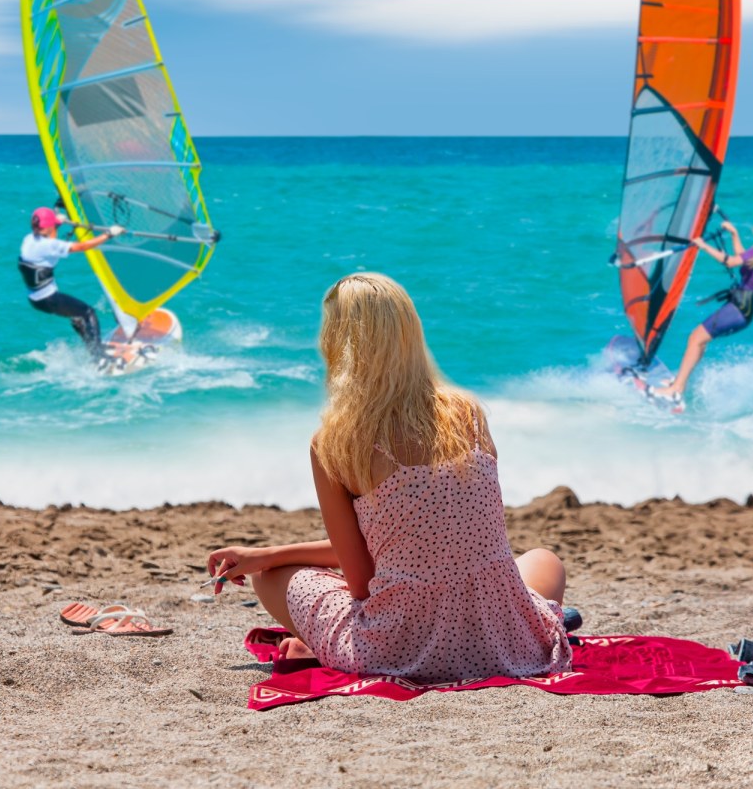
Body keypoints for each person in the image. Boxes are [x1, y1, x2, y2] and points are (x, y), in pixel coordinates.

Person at [207, 273, 573, 682]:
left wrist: (269, 558)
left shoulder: (336, 441)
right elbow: (432, 540)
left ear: (338, 345)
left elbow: (363, 581)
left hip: (399, 651)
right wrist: (273, 549)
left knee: (267, 578)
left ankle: (317, 645)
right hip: (505, 644)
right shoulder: (468, 416)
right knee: (543, 560)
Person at [652, 220, 753, 404]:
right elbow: (743, 257)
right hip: (745, 313)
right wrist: (734, 234)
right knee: (700, 341)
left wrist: (703, 246)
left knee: (695, 338)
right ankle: (681, 382)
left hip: (736, 309)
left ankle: (675, 388)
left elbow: (730, 262)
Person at [18, 206, 124, 363]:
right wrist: (108, 234)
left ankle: (94, 349)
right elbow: (82, 246)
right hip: (48, 299)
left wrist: (57, 222)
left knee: (78, 316)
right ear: (48, 228)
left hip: (35, 299)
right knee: (88, 312)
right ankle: (98, 355)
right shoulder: (48, 246)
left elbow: (48, 234)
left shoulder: (28, 240)